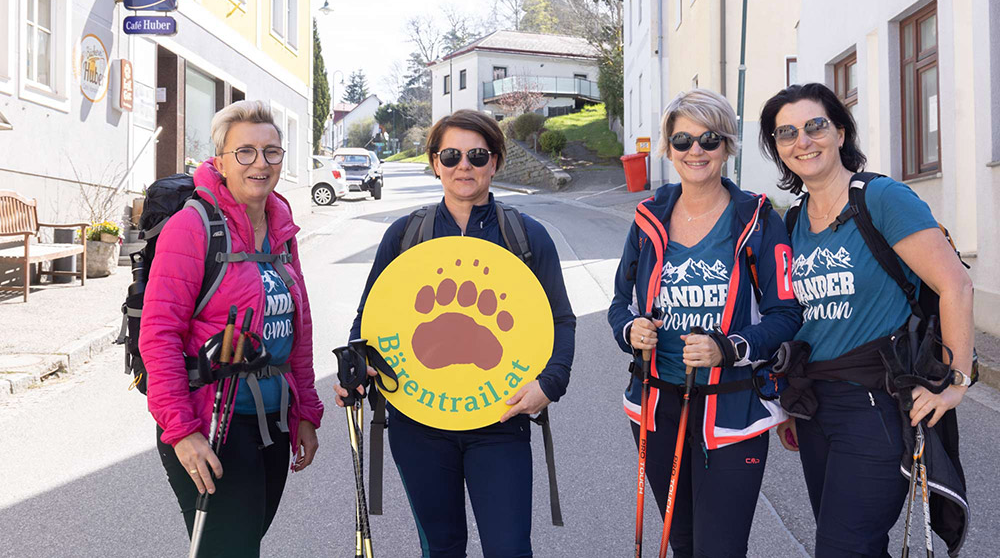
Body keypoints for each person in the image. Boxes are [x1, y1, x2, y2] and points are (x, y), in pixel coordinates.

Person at [334, 109, 575, 558]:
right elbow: (370, 318)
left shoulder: (526, 237)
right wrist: (357, 365)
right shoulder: (405, 236)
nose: (464, 165)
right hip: (418, 420)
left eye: (477, 155)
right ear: (435, 163)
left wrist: (549, 383)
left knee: (508, 549)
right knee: (441, 548)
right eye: (451, 155)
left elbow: (560, 319)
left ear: (496, 162)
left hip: (500, 418)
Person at [758, 82, 975, 557]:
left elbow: (955, 284)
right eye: (787, 133)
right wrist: (788, 405)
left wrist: (956, 380)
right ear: (778, 149)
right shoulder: (792, 222)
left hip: (876, 402)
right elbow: (799, 319)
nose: (803, 141)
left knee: (842, 547)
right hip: (815, 405)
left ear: (839, 131)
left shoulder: (880, 198)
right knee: (853, 543)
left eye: (815, 126)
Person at [608, 89, 802, 557]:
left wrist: (729, 347)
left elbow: (786, 313)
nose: (695, 150)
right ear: (667, 147)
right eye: (682, 140)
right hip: (656, 406)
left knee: (720, 547)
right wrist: (629, 333)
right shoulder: (648, 217)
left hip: (731, 409)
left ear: (727, 146)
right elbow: (619, 302)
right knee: (683, 540)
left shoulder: (756, 218)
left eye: (709, 139)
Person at [141, 100, 323, 557]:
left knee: (244, 544)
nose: (260, 163)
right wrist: (181, 432)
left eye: (271, 152)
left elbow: (296, 328)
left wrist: (306, 411)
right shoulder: (193, 226)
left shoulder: (282, 229)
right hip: (212, 423)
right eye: (245, 152)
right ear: (220, 160)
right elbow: (158, 333)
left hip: (273, 423)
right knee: (229, 550)